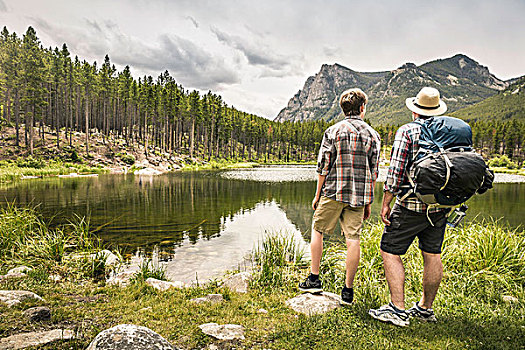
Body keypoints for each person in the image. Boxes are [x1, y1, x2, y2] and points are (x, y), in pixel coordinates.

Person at [368, 87, 450, 327]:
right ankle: (425, 308)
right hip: (440, 206)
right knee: (432, 253)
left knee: (390, 249)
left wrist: (385, 203)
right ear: (435, 110)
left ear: (415, 110)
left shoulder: (408, 131)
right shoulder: (447, 132)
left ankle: (397, 309)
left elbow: (395, 172)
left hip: (411, 205)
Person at [298, 88, 381, 305]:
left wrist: (317, 195)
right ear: (362, 108)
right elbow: (374, 171)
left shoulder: (333, 131)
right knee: (353, 239)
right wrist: (368, 201)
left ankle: (314, 279)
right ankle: (348, 292)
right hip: (359, 197)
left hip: (333, 191)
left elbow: (323, 167)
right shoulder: (374, 135)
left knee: (317, 230)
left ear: (343, 109)